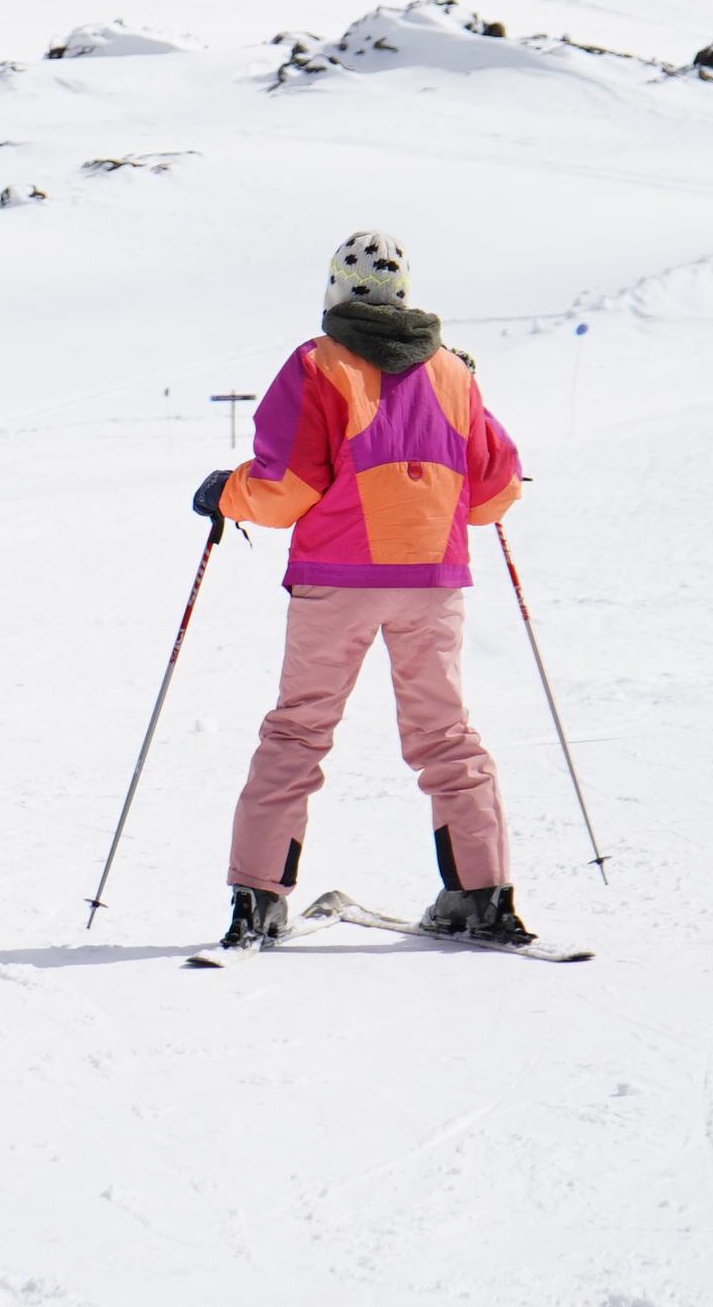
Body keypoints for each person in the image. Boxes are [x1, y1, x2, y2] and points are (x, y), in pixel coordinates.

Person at [193, 230, 532, 948]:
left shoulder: (318, 366)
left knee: (298, 732)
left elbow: (286, 489)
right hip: (431, 581)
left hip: (336, 579)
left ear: (335, 291)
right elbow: (495, 492)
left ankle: (259, 903)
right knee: (445, 734)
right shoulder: (452, 374)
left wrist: (228, 494)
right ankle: (481, 897)